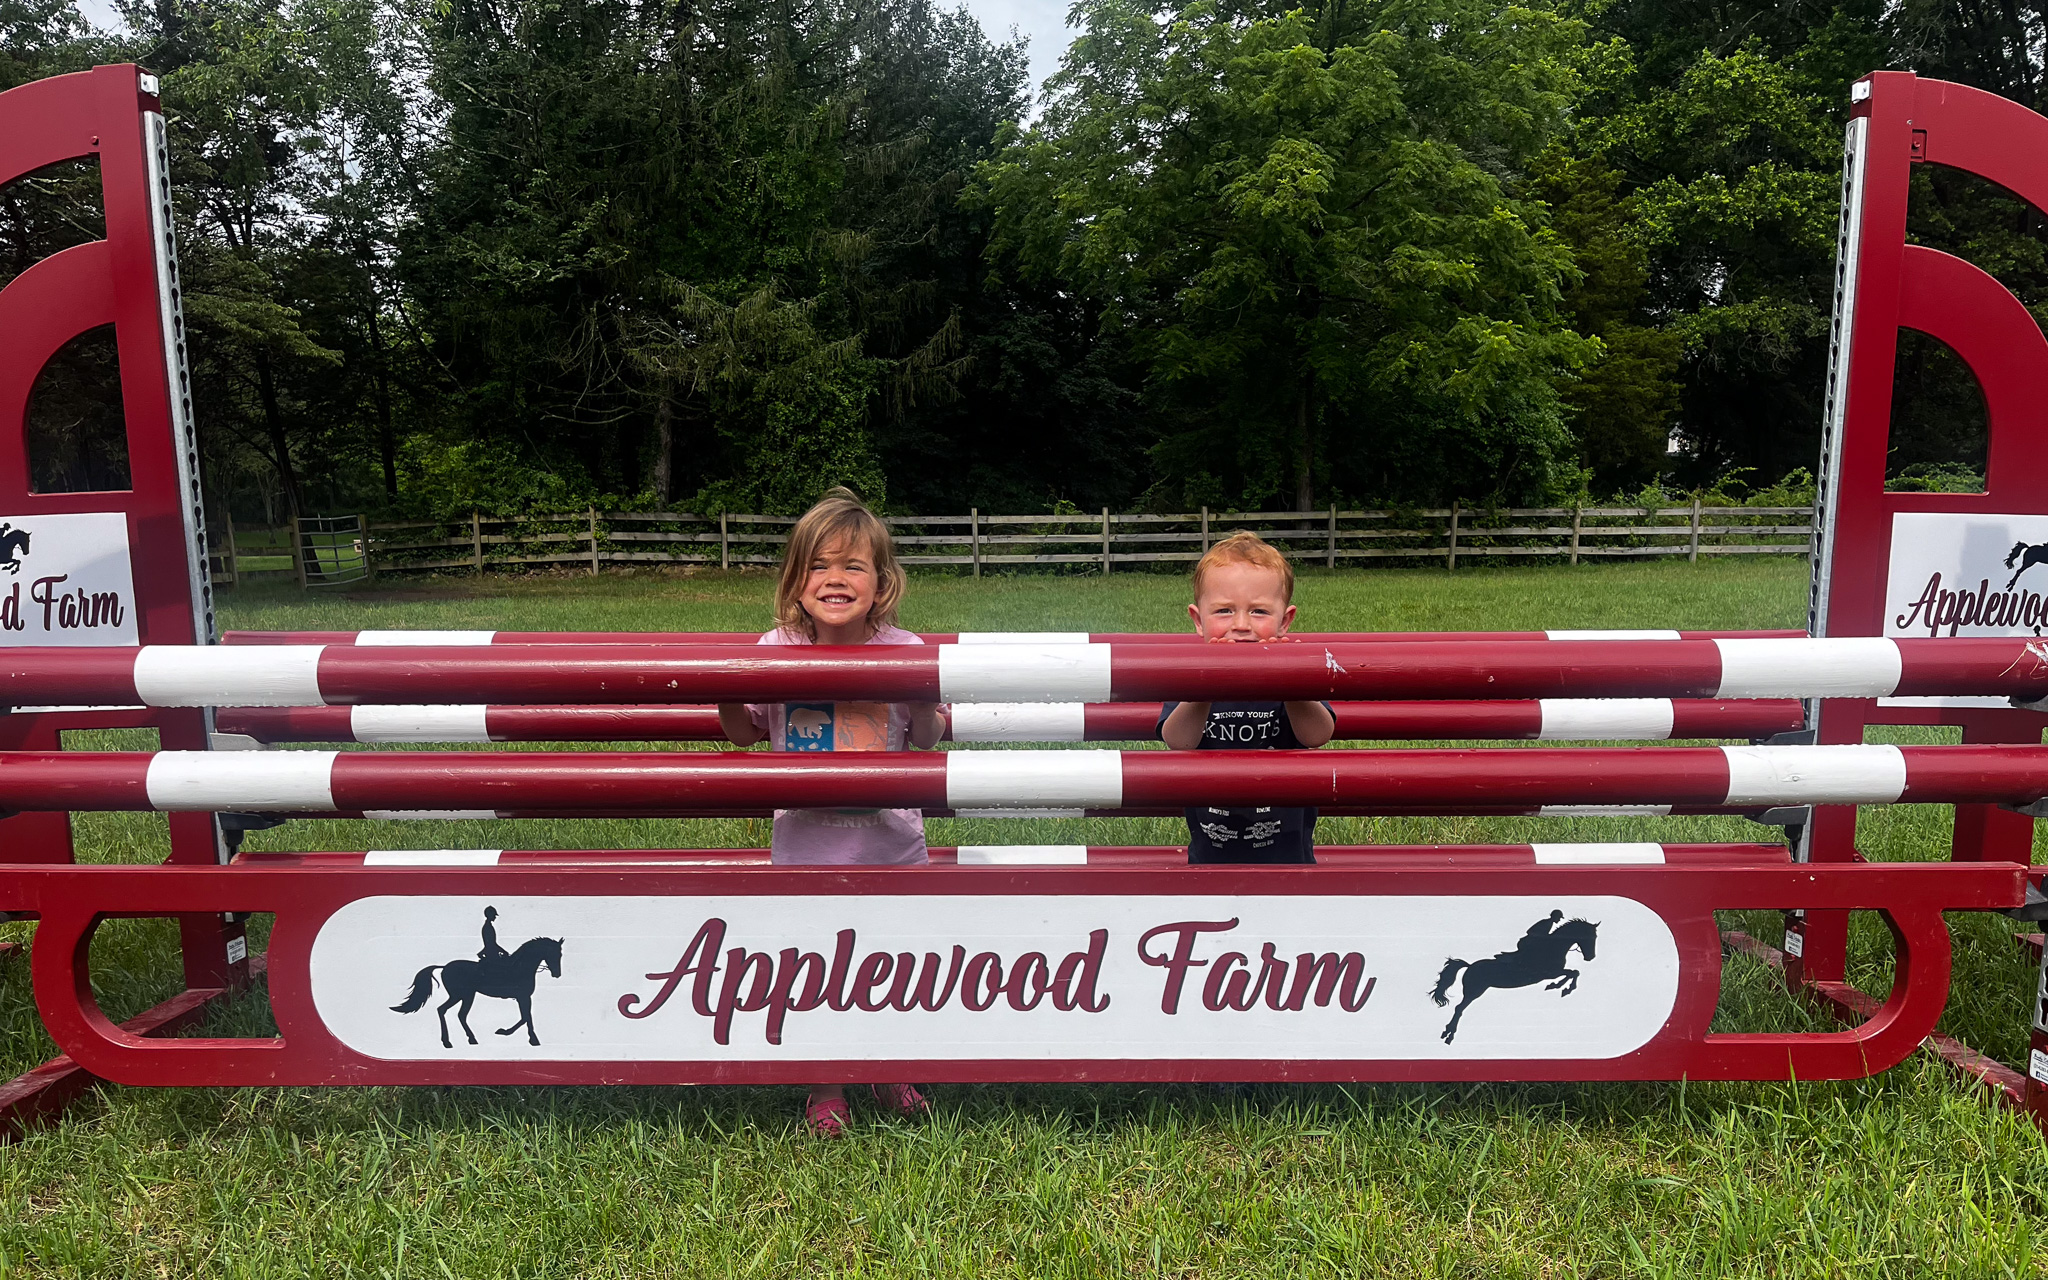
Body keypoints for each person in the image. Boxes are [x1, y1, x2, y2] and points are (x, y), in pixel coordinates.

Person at [717, 486, 944, 1138]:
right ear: (796, 579)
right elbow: (744, 733)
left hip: (890, 847)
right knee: (814, 968)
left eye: (853, 566)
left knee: (894, 964)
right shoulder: (776, 648)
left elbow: (926, 739)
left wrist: (927, 692)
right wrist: (726, 684)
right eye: (819, 565)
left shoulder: (906, 650)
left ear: (882, 583)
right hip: (807, 847)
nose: (835, 579)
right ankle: (827, 1083)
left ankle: (890, 1068)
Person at [1158, 531, 1336, 863]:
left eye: (1259, 612)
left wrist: (1293, 685)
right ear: (1199, 621)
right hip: (1211, 853)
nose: (1241, 625)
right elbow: (1178, 741)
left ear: (1285, 621)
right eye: (1224, 611)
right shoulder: (1191, 678)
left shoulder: (1294, 676)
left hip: (1287, 855)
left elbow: (1317, 735)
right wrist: (1204, 689)